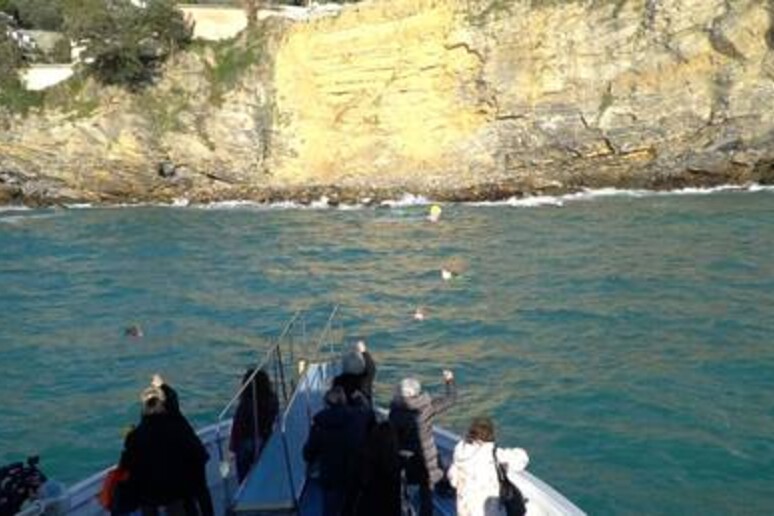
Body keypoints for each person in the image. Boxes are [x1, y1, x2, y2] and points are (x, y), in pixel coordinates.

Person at [118, 383, 213, 516]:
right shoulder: (176, 428)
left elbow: (128, 464)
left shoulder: (135, 435)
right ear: (162, 405)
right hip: (174, 489)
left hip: (148, 492)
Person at [388, 370, 457, 516]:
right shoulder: (427, 407)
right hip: (426, 461)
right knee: (426, 493)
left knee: (403, 493)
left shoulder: (394, 412)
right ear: (417, 393)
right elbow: (451, 399)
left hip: (405, 461)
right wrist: (449, 380)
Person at [303, 386, 372, 516]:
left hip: (331, 476)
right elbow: (368, 411)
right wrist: (360, 398)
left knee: (330, 509)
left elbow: (308, 453)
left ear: (326, 403)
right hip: (354, 473)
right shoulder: (358, 417)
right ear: (344, 401)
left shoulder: (319, 425)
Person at [447, 417, 530, 516]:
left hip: (465, 511)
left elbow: (453, 481)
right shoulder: (492, 453)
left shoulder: (460, 454)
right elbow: (521, 460)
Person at [229, 368, 280, 483]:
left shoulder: (245, 404)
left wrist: (232, 447)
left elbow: (238, 427)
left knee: (243, 473)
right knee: (264, 469)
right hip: (264, 438)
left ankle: (244, 489)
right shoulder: (272, 399)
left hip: (246, 442)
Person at [353, 421, 401, 516]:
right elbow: (395, 499)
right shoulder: (394, 465)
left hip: (365, 507)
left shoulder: (365, 457)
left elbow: (354, 488)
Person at [333, 340, 376, 405]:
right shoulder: (367, 371)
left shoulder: (339, 380)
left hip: (351, 405)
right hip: (365, 405)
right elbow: (370, 366)